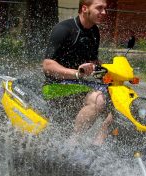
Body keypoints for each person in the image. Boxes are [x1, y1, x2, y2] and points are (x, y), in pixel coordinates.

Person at [42, 0, 112, 145]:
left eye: (105, 9)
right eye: (99, 8)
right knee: (98, 100)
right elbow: (47, 65)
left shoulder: (94, 31)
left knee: (118, 102)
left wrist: (108, 70)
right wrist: (77, 73)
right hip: (56, 86)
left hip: (79, 85)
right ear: (85, 8)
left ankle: (97, 146)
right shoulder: (64, 29)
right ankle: (72, 144)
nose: (104, 12)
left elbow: (92, 62)